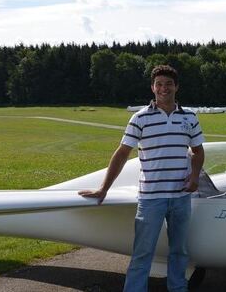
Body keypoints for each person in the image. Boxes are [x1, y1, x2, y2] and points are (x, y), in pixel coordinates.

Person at [79, 65, 205, 292]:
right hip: (151, 198)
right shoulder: (140, 118)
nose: (163, 88)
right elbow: (122, 153)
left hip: (181, 197)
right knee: (143, 253)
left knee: (179, 251)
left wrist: (194, 177)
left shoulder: (190, 117)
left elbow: (198, 151)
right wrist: (103, 188)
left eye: (168, 84)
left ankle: (178, 288)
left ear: (176, 86)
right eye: (159, 84)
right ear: (152, 87)